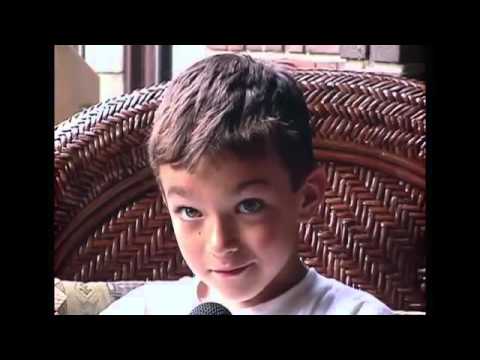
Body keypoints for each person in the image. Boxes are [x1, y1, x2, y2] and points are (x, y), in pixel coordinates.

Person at [101, 54, 393, 315]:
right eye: (190, 211)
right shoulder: (143, 308)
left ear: (307, 196)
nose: (220, 243)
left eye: (249, 206)